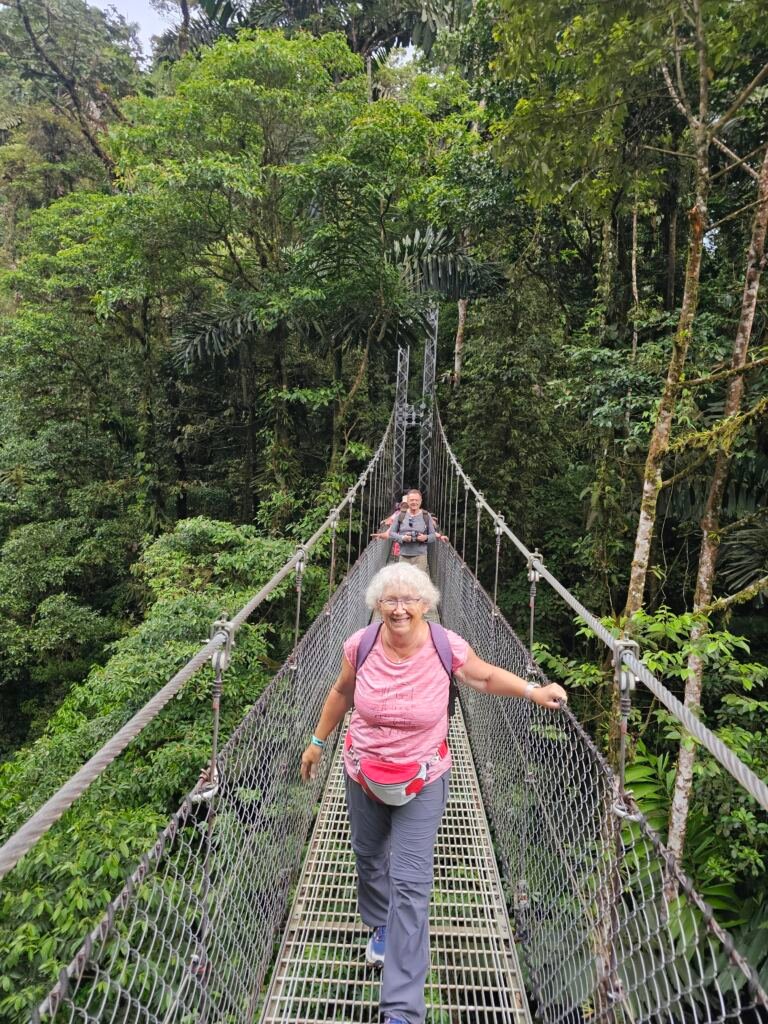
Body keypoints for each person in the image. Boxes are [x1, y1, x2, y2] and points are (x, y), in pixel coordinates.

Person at [300, 563, 567, 1024]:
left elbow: (483, 677)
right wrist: (317, 742)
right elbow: (342, 691)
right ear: (377, 605)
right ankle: (379, 924)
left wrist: (532, 691)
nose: (399, 609)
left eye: (410, 600)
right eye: (390, 600)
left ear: (425, 604)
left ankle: (402, 1010)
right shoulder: (360, 644)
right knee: (368, 856)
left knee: (411, 884)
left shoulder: (446, 645)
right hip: (363, 770)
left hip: (423, 776)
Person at [387, 489, 440, 573]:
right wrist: (403, 538)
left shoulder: (426, 516)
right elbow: (391, 533)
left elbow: (433, 536)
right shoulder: (401, 515)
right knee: (404, 581)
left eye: (416, 500)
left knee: (419, 581)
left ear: (421, 501)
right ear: (407, 501)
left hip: (420, 557)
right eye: (411, 500)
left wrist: (425, 538)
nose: (414, 502)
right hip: (403, 556)